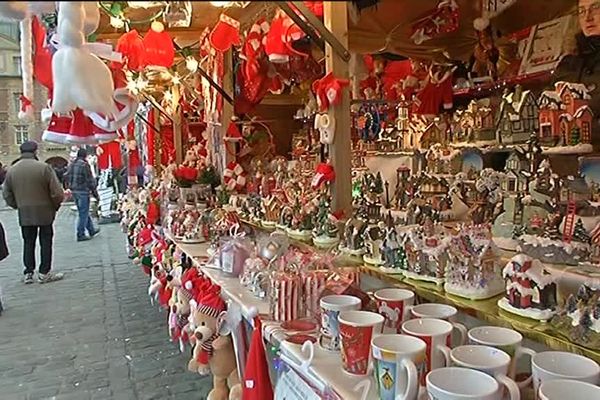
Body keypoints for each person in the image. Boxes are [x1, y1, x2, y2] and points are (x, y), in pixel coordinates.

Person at [3, 141, 64, 284]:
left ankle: (28, 272)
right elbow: (56, 193)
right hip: (44, 211)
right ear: (35, 151)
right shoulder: (44, 168)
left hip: (25, 212)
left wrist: (17, 205)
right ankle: (44, 272)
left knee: (28, 241)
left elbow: (7, 194)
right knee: (45, 241)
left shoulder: (12, 170)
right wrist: (54, 206)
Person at [65, 148, 100, 242]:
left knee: (83, 210)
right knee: (83, 213)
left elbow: (66, 176)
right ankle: (80, 234)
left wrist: (69, 187)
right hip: (83, 191)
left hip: (74, 191)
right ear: (85, 156)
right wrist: (95, 194)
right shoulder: (85, 165)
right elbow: (90, 180)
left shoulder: (72, 164)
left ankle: (91, 230)